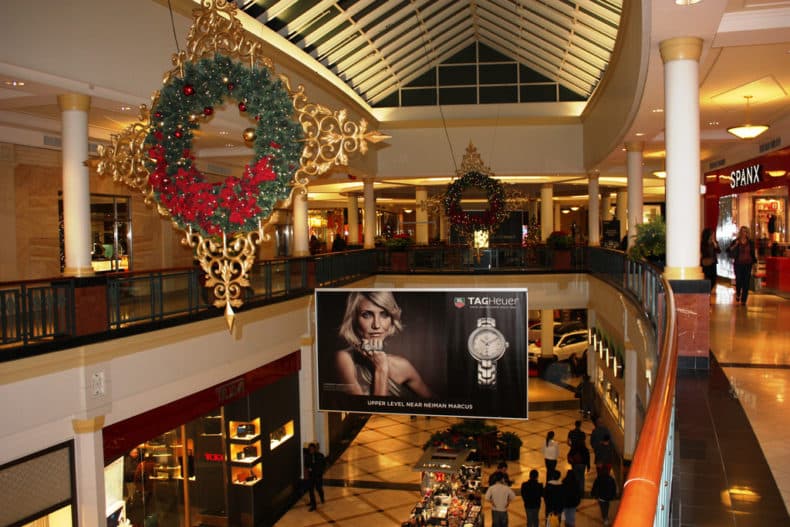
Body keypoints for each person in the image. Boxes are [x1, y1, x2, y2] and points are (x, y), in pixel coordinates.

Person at [335, 291, 433, 398]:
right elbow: (370, 413)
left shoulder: (402, 365)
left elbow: (436, 405)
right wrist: (381, 369)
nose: (376, 325)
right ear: (353, 319)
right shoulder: (343, 358)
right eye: (367, 315)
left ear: (391, 319)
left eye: (384, 314)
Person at [727, 226, 756, 305]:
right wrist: (735, 245)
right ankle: (738, 293)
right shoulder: (736, 241)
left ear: (747, 233)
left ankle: (744, 299)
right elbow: (728, 250)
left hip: (748, 264)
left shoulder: (750, 242)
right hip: (738, 264)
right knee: (739, 280)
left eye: (746, 231)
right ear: (740, 232)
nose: (744, 233)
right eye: (743, 231)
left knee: (746, 282)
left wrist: (754, 262)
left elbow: (753, 253)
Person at [305, 442, 326, 511]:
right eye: (309, 449)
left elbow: (323, 465)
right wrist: (308, 469)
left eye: (312, 449)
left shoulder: (320, 456)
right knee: (311, 490)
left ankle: (322, 498)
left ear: (315, 449)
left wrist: (320, 472)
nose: (311, 450)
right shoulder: (308, 456)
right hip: (311, 476)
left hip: (318, 476)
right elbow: (307, 464)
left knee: (318, 488)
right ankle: (313, 505)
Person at [700, 227, 720, 292]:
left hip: (713, 263)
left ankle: (709, 290)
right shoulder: (703, 243)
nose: (713, 236)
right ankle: (706, 291)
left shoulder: (715, 242)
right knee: (707, 278)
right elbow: (703, 252)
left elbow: (719, 251)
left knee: (713, 279)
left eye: (713, 234)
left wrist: (714, 244)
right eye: (712, 234)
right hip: (706, 263)